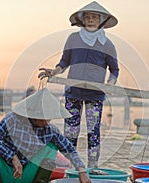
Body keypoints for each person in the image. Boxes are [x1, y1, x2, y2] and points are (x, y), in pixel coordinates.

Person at [38, 1, 119, 168]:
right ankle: (69, 165)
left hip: (95, 94)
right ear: (82, 20)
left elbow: (114, 70)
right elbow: (64, 62)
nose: (90, 20)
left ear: (101, 20)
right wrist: (53, 72)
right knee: (71, 132)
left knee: (93, 132)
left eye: (94, 17)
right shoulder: (73, 39)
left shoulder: (107, 44)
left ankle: (93, 166)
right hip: (73, 92)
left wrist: (111, 83)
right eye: (87, 17)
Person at [0, 88, 91, 183]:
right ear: (33, 114)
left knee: (52, 147)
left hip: (27, 175)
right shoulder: (12, 120)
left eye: (49, 118)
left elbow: (69, 149)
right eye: (44, 117)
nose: (47, 121)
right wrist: (13, 158)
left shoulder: (51, 130)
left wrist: (81, 170)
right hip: (4, 173)